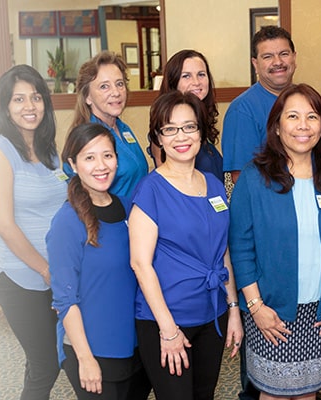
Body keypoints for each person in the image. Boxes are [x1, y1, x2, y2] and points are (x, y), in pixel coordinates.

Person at [229, 83, 321, 400]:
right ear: (277, 126)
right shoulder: (254, 176)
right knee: (272, 393)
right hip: (270, 312)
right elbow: (241, 246)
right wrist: (255, 306)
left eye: (312, 117)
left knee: (309, 392)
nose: (303, 126)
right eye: (293, 116)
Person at [129, 91, 243, 400]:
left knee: (204, 395)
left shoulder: (214, 185)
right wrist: (167, 329)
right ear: (159, 138)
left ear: (201, 132)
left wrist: (233, 309)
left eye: (190, 127)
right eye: (170, 129)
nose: (182, 136)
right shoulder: (151, 189)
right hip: (167, 318)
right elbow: (140, 263)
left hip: (213, 312)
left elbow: (224, 253)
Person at [0, 64, 67, 400]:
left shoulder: (48, 150)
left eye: (36, 97)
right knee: (45, 363)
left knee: (49, 361)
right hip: (18, 276)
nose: (29, 106)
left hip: (52, 272)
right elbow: (3, 224)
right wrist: (46, 269)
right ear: (5, 106)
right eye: (19, 99)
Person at [49, 123, 152, 400]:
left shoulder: (127, 207)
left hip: (132, 344)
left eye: (107, 155)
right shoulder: (67, 222)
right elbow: (64, 300)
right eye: (89, 157)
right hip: (92, 349)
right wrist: (85, 359)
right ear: (72, 163)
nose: (101, 166)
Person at [72, 52, 151, 201]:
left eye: (120, 84)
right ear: (88, 97)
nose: (116, 92)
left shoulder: (122, 128)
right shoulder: (86, 139)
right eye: (104, 86)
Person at [223, 25, 297, 183]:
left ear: (294, 58)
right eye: (268, 56)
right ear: (255, 64)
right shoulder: (242, 110)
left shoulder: (307, 101)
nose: (278, 62)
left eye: (284, 54)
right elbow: (242, 178)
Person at [159, 49, 224, 178]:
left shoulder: (202, 118)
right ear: (173, 82)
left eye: (201, 74)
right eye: (186, 76)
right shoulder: (164, 126)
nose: (196, 82)